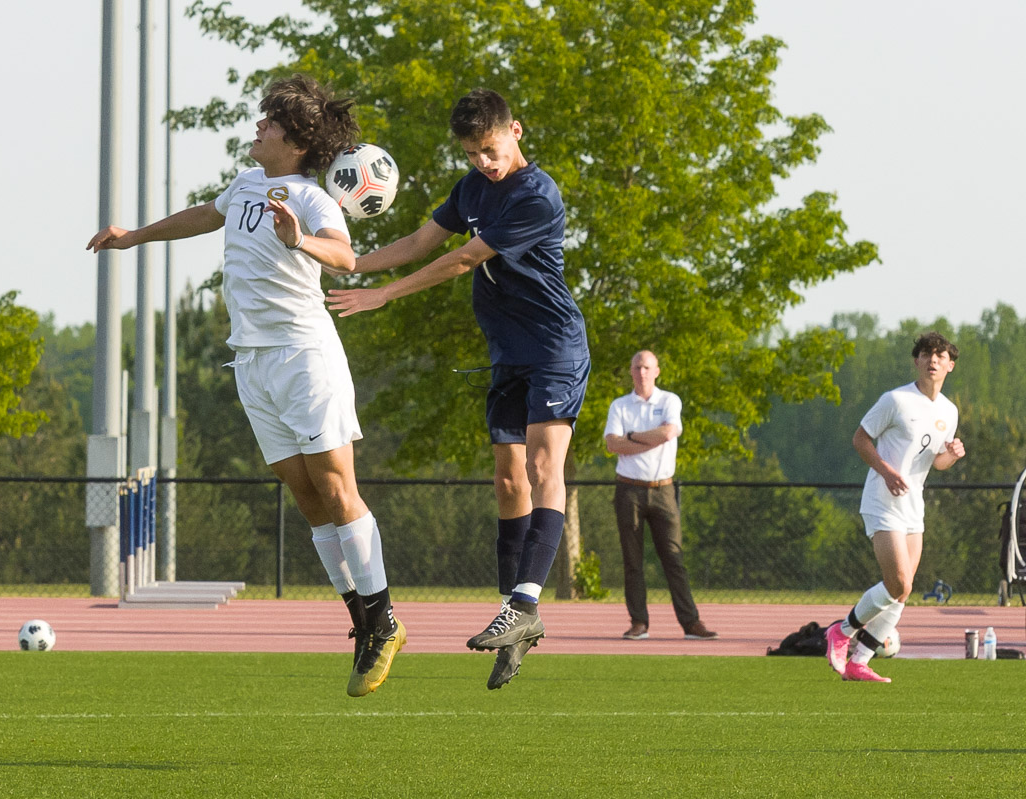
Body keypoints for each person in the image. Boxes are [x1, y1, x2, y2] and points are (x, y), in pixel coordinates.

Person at [87, 75, 405, 698]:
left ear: (296, 141)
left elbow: (343, 257)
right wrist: (134, 236)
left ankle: (385, 617)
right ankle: (360, 620)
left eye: (270, 124)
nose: (258, 128)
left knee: (338, 487)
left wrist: (300, 241)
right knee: (306, 494)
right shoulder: (244, 186)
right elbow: (204, 216)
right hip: (252, 364)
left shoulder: (313, 199)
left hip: (304, 356)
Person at [326, 88, 589, 690]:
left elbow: (462, 259)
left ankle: (523, 606)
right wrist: (350, 264)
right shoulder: (471, 189)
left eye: (490, 150)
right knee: (506, 481)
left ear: (515, 131)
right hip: (506, 356)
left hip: (553, 348)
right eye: (472, 154)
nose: (483, 163)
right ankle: (514, 613)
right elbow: (422, 243)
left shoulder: (535, 193)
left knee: (547, 468)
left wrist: (382, 295)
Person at [825, 331, 964, 682]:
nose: (933, 359)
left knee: (904, 589)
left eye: (940, 355)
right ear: (916, 361)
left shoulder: (949, 411)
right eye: (926, 354)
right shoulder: (896, 400)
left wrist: (951, 455)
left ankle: (861, 660)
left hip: (913, 504)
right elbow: (860, 439)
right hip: (882, 499)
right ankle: (841, 633)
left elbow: (937, 463)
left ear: (950, 364)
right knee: (897, 581)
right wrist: (886, 471)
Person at [603, 350, 718, 642]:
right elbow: (612, 444)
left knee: (673, 557)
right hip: (628, 489)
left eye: (647, 367)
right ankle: (639, 622)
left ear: (657, 371)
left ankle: (691, 623)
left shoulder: (669, 400)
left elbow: (668, 433)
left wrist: (631, 437)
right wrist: (641, 440)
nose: (641, 372)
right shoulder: (619, 406)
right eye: (637, 367)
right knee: (632, 559)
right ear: (630, 371)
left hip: (663, 489)